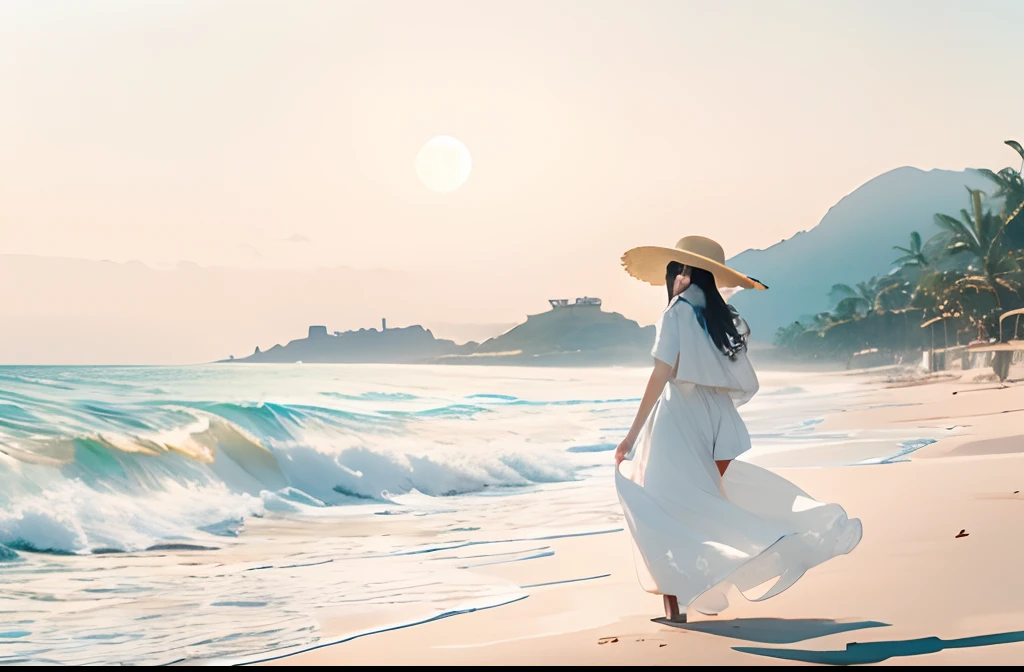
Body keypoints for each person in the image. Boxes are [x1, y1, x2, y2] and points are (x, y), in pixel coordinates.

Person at [615, 235, 862, 623]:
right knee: (703, 503)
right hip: (721, 426)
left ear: (684, 272)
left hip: (679, 420)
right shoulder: (724, 317)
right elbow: (732, 378)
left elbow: (662, 373)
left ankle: (677, 604)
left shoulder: (676, 312)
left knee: (664, 506)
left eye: (676, 269)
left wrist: (631, 435)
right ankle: (774, 542)